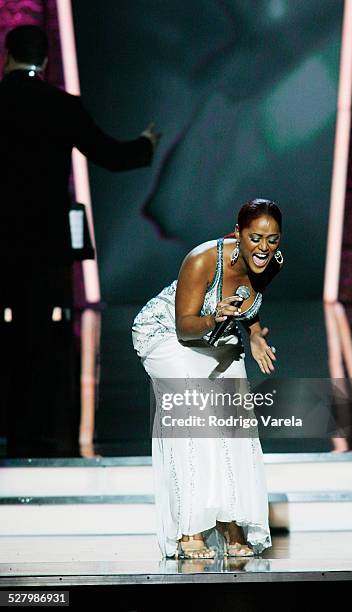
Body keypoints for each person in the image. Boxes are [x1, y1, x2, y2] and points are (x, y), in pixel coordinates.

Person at [0, 25, 160, 456]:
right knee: (39, 336)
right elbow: (110, 155)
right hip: (45, 243)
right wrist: (145, 145)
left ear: (6, 55)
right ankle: (32, 430)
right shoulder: (61, 106)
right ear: (47, 61)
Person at [132, 198, 284, 559]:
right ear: (238, 234)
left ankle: (232, 523)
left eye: (273, 239)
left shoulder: (272, 263)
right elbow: (185, 328)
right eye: (255, 238)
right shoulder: (202, 259)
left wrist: (257, 333)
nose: (264, 248)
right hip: (167, 332)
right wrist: (215, 318)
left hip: (219, 332)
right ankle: (190, 529)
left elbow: (248, 301)